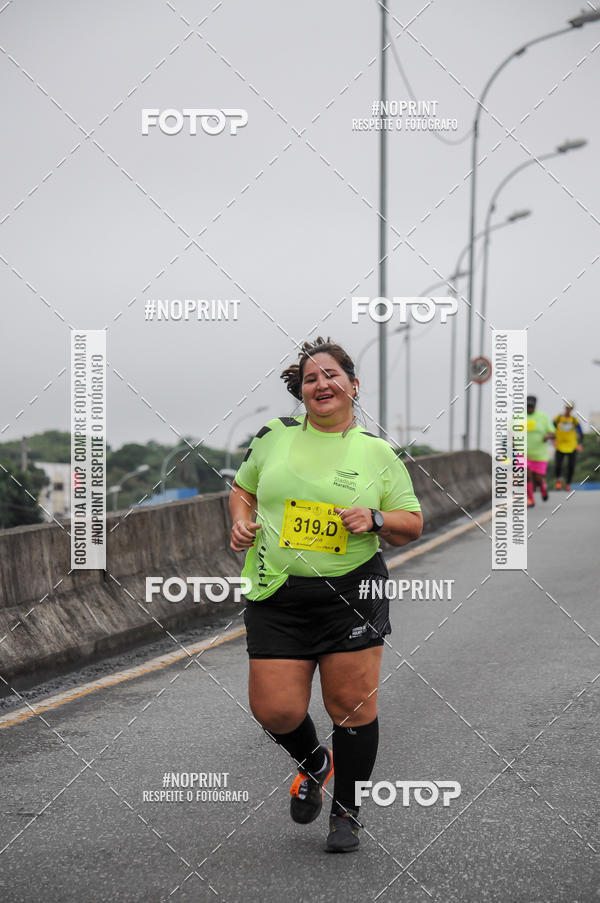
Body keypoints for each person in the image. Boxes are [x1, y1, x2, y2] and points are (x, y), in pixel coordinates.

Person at [228, 337, 423, 853]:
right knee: (275, 711)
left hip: (353, 592)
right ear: (303, 392)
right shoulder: (273, 436)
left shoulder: (376, 453)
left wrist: (376, 518)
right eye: (311, 378)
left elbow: (412, 522)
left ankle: (347, 812)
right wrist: (242, 521)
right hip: (276, 593)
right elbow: (243, 487)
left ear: (352, 386)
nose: (322, 384)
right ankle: (314, 761)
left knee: (350, 707)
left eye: (331, 375)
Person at [526, 395, 555, 508]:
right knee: (526, 474)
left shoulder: (543, 417)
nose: (529, 408)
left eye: (531, 406)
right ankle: (530, 500)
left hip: (539, 454)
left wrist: (547, 437)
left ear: (535, 406)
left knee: (537, 479)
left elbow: (552, 432)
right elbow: (510, 431)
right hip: (523, 453)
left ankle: (542, 487)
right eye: (527, 406)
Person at [553, 401, 583, 491]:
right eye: (567, 407)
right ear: (565, 408)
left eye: (570, 407)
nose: (568, 409)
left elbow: (581, 433)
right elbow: (550, 429)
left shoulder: (574, 420)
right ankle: (558, 481)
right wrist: (553, 440)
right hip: (560, 446)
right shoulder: (558, 419)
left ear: (572, 409)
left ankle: (568, 484)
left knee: (571, 466)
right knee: (558, 465)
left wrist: (580, 444)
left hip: (572, 446)